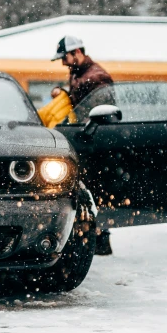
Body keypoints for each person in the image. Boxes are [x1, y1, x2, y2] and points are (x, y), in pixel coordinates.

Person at [50, 36, 114, 257]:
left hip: (95, 142)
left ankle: (101, 240)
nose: (63, 63)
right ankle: (92, 237)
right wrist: (64, 93)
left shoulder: (98, 78)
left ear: (76, 52)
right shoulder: (79, 73)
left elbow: (99, 115)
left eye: (65, 57)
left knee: (97, 190)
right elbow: (78, 104)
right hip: (82, 139)